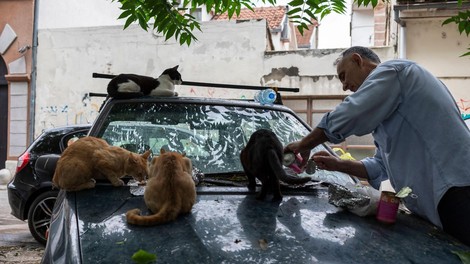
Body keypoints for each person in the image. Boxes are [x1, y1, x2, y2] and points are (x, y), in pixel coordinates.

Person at [284, 46, 470, 246]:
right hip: (440, 200)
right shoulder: (389, 106)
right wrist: (338, 165)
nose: (345, 86)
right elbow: (381, 166)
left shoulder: (395, 72)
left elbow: (350, 113)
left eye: (344, 76)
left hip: (458, 189)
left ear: (358, 60)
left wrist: (304, 144)